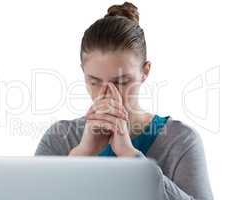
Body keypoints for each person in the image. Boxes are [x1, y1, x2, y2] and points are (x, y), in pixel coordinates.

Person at [35, 2, 213, 199]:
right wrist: (82, 154)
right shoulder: (59, 139)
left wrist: (133, 158)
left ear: (145, 72)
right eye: (94, 81)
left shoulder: (180, 141)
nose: (107, 94)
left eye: (121, 82)